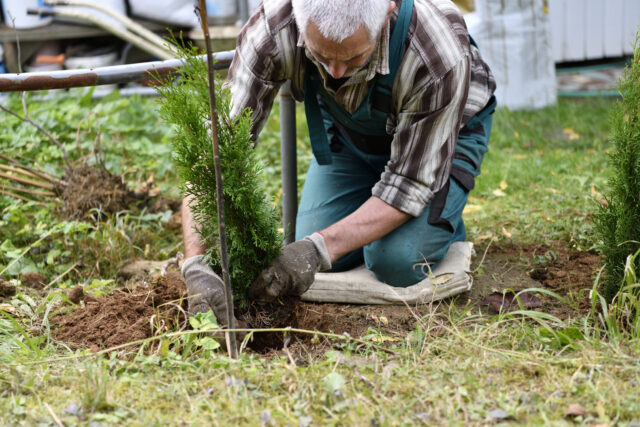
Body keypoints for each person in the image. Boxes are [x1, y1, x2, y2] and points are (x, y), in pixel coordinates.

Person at [181, 0, 496, 323]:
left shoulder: (436, 53)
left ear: (388, 12)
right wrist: (196, 267)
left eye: (354, 57)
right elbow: (216, 153)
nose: (336, 73)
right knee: (313, 237)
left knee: (395, 260)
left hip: (443, 137)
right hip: (352, 136)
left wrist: (318, 250)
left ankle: (440, 219)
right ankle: (386, 208)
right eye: (320, 56)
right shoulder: (274, 27)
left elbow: (409, 184)